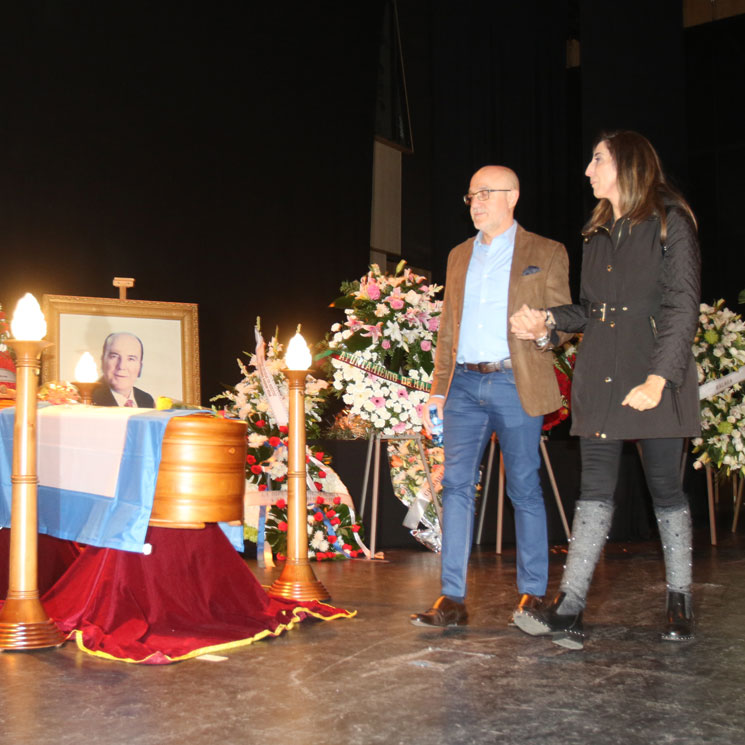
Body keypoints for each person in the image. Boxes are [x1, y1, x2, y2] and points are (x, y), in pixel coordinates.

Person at [509, 130, 700, 649]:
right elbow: (592, 311)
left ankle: (679, 598)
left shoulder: (669, 222)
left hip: (653, 374)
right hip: (601, 375)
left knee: (664, 488)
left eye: (597, 160)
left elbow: (682, 306)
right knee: (593, 490)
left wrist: (659, 379)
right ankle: (569, 606)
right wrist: (547, 322)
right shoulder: (596, 233)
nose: (588, 171)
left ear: (628, 164)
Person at [410, 165, 571, 629]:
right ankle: (452, 599)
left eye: (486, 194)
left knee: (524, 487)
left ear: (513, 196)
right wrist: (438, 390)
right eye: (471, 196)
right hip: (462, 385)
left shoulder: (547, 251)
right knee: (456, 486)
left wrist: (544, 330)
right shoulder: (459, 254)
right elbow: (447, 330)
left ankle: (532, 595)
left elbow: (562, 321)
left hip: (512, 381)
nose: (476, 202)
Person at [92, 331, 155, 408]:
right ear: (102, 361)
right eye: (114, 356)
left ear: (140, 367)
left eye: (131, 359)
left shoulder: (147, 400)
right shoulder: (88, 400)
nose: (121, 366)